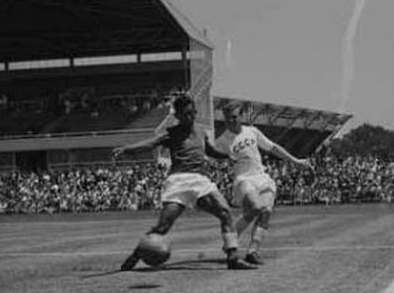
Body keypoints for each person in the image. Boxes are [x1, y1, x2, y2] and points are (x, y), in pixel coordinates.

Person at [111, 94, 257, 271]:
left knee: (225, 212)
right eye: (187, 113)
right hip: (178, 181)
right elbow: (151, 143)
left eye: (193, 112)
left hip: (200, 180)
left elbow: (210, 151)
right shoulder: (171, 133)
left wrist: (227, 155)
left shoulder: (201, 132)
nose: (191, 116)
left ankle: (233, 258)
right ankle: (136, 254)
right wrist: (127, 148)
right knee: (163, 226)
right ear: (178, 116)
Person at [214, 102, 314, 265]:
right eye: (227, 118)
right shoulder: (222, 141)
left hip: (261, 177)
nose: (231, 121)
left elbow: (273, 147)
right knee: (255, 207)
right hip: (243, 179)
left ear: (241, 116)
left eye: (234, 117)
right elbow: (209, 156)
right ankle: (231, 242)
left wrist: (295, 161)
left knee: (266, 211)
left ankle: (253, 251)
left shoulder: (252, 131)